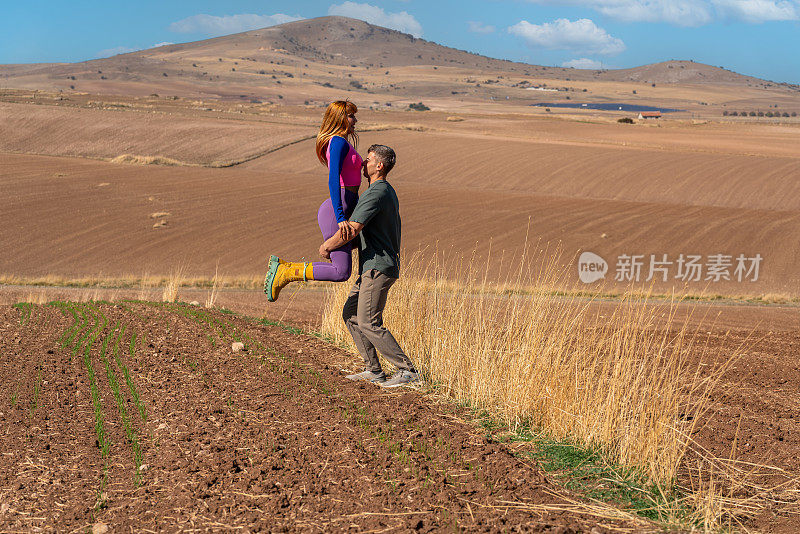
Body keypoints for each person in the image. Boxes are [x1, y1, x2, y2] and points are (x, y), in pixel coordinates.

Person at [319, 144, 419, 388]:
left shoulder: (376, 192)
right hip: (372, 267)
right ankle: (374, 371)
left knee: (368, 322)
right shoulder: (382, 192)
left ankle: (408, 371)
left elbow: (351, 229)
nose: (363, 162)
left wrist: (328, 246)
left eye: (369, 158)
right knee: (351, 315)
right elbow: (364, 235)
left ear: (379, 166)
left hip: (378, 267)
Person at [265, 100, 362, 302]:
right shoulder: (337, 142)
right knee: (341, 272)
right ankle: (286, 271)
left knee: (369, 239)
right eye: (351, 116)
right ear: (340, 118)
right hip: (336, 211)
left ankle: (287, 269)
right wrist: (340, 216)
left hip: (345, 206)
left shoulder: (341, 142)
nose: (355, 120)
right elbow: (333, 178)